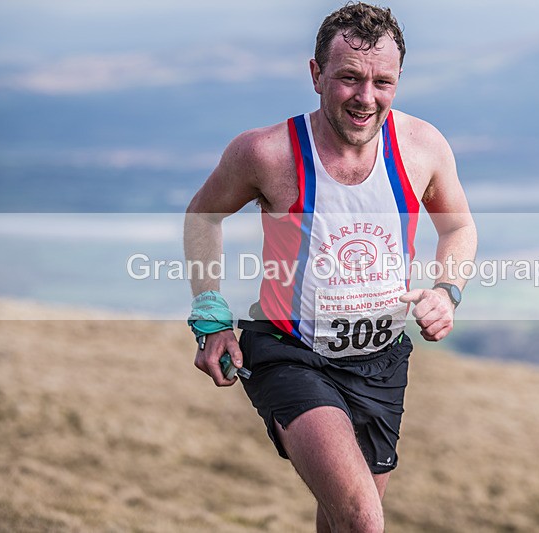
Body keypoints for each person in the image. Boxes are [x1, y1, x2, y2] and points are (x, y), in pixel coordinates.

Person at [184, 3, 476, 531]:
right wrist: (211, 317)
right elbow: (203, 217)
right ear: (316, 74)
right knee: (365, 520)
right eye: (348, 78)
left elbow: (458, 229)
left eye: (383, 81)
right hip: (290, 354)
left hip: (381, 362)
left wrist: (446, 290)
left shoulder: (422, 147)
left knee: (340, 522)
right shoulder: (266, 153)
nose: (367, 98)